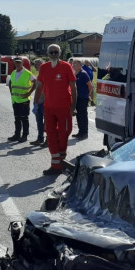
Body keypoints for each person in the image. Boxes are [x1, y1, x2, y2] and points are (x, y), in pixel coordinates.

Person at [36, 44, 77, 176]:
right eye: (51, 52)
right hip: (49, 107)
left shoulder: (66, 66)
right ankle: (56, 165)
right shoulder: (44, 67)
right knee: (50, 134)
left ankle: (61, 159)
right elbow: (39, 86)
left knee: (64, 133)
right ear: (48, 54)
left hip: (64, 107)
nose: (53, 54)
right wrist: (36, 102)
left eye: (56, 52)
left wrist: (73, 107)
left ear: (59, 53)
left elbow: (73, 87)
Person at [6, 57, 37, 143]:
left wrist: (29, 93)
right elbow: (10, 83)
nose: (18, 64)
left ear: (22, 63)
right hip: (15, 100)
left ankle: (24, 135)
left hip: (24, 100)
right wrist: (11, 92)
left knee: (24, 118)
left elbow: (36, 83)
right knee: (17, 118)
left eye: (19, 62)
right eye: (16, 63)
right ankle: (17, 135)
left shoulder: (28, 73)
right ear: (14, 63)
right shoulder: (13, 72)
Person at [71, 60, 93, 140]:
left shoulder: (83, 74)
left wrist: (88, 94)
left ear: (80, 65)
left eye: (75, 64)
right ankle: (80, 132)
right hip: (76, 98)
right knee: (78, 115)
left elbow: (90, 86)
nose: (73, 66)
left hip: (83, 98)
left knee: (83, 116)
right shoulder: (74, 74)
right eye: (73, 64)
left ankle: (84, 133)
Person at [30, 59, 47, 146]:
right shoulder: (38, 76)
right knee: (39, 121)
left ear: (43, 65)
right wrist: (35, 102)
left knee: (47, 122)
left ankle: (48, 140)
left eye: (38, 64)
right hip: (38, 102)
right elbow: (37, 89)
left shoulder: (47, 75)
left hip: (45, 102)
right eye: (35, 64)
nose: (36, 66)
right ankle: (40, 138)